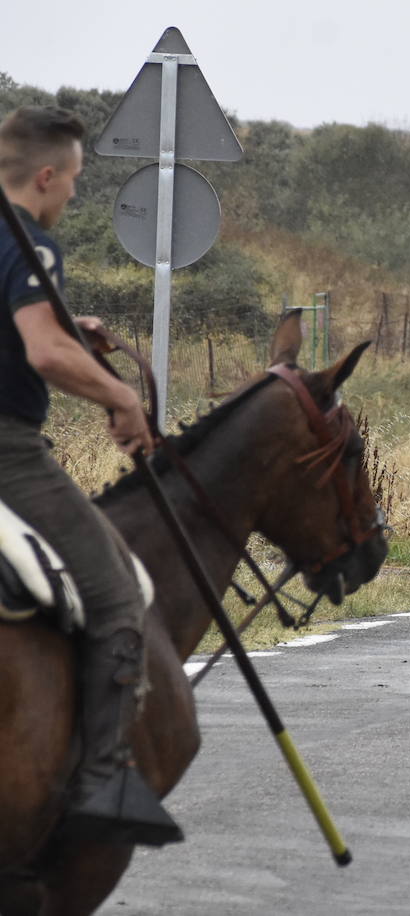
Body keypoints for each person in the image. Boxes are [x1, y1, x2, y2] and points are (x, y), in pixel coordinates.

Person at [0, 106, 181, 844]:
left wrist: (75, 330)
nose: (73, 192)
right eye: (72, 178)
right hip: (8, 452)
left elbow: (34, 332)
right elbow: (40, 353)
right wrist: (121, 397)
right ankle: (103, 778)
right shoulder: (29, 242)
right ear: (46, 176)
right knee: (115, 594)